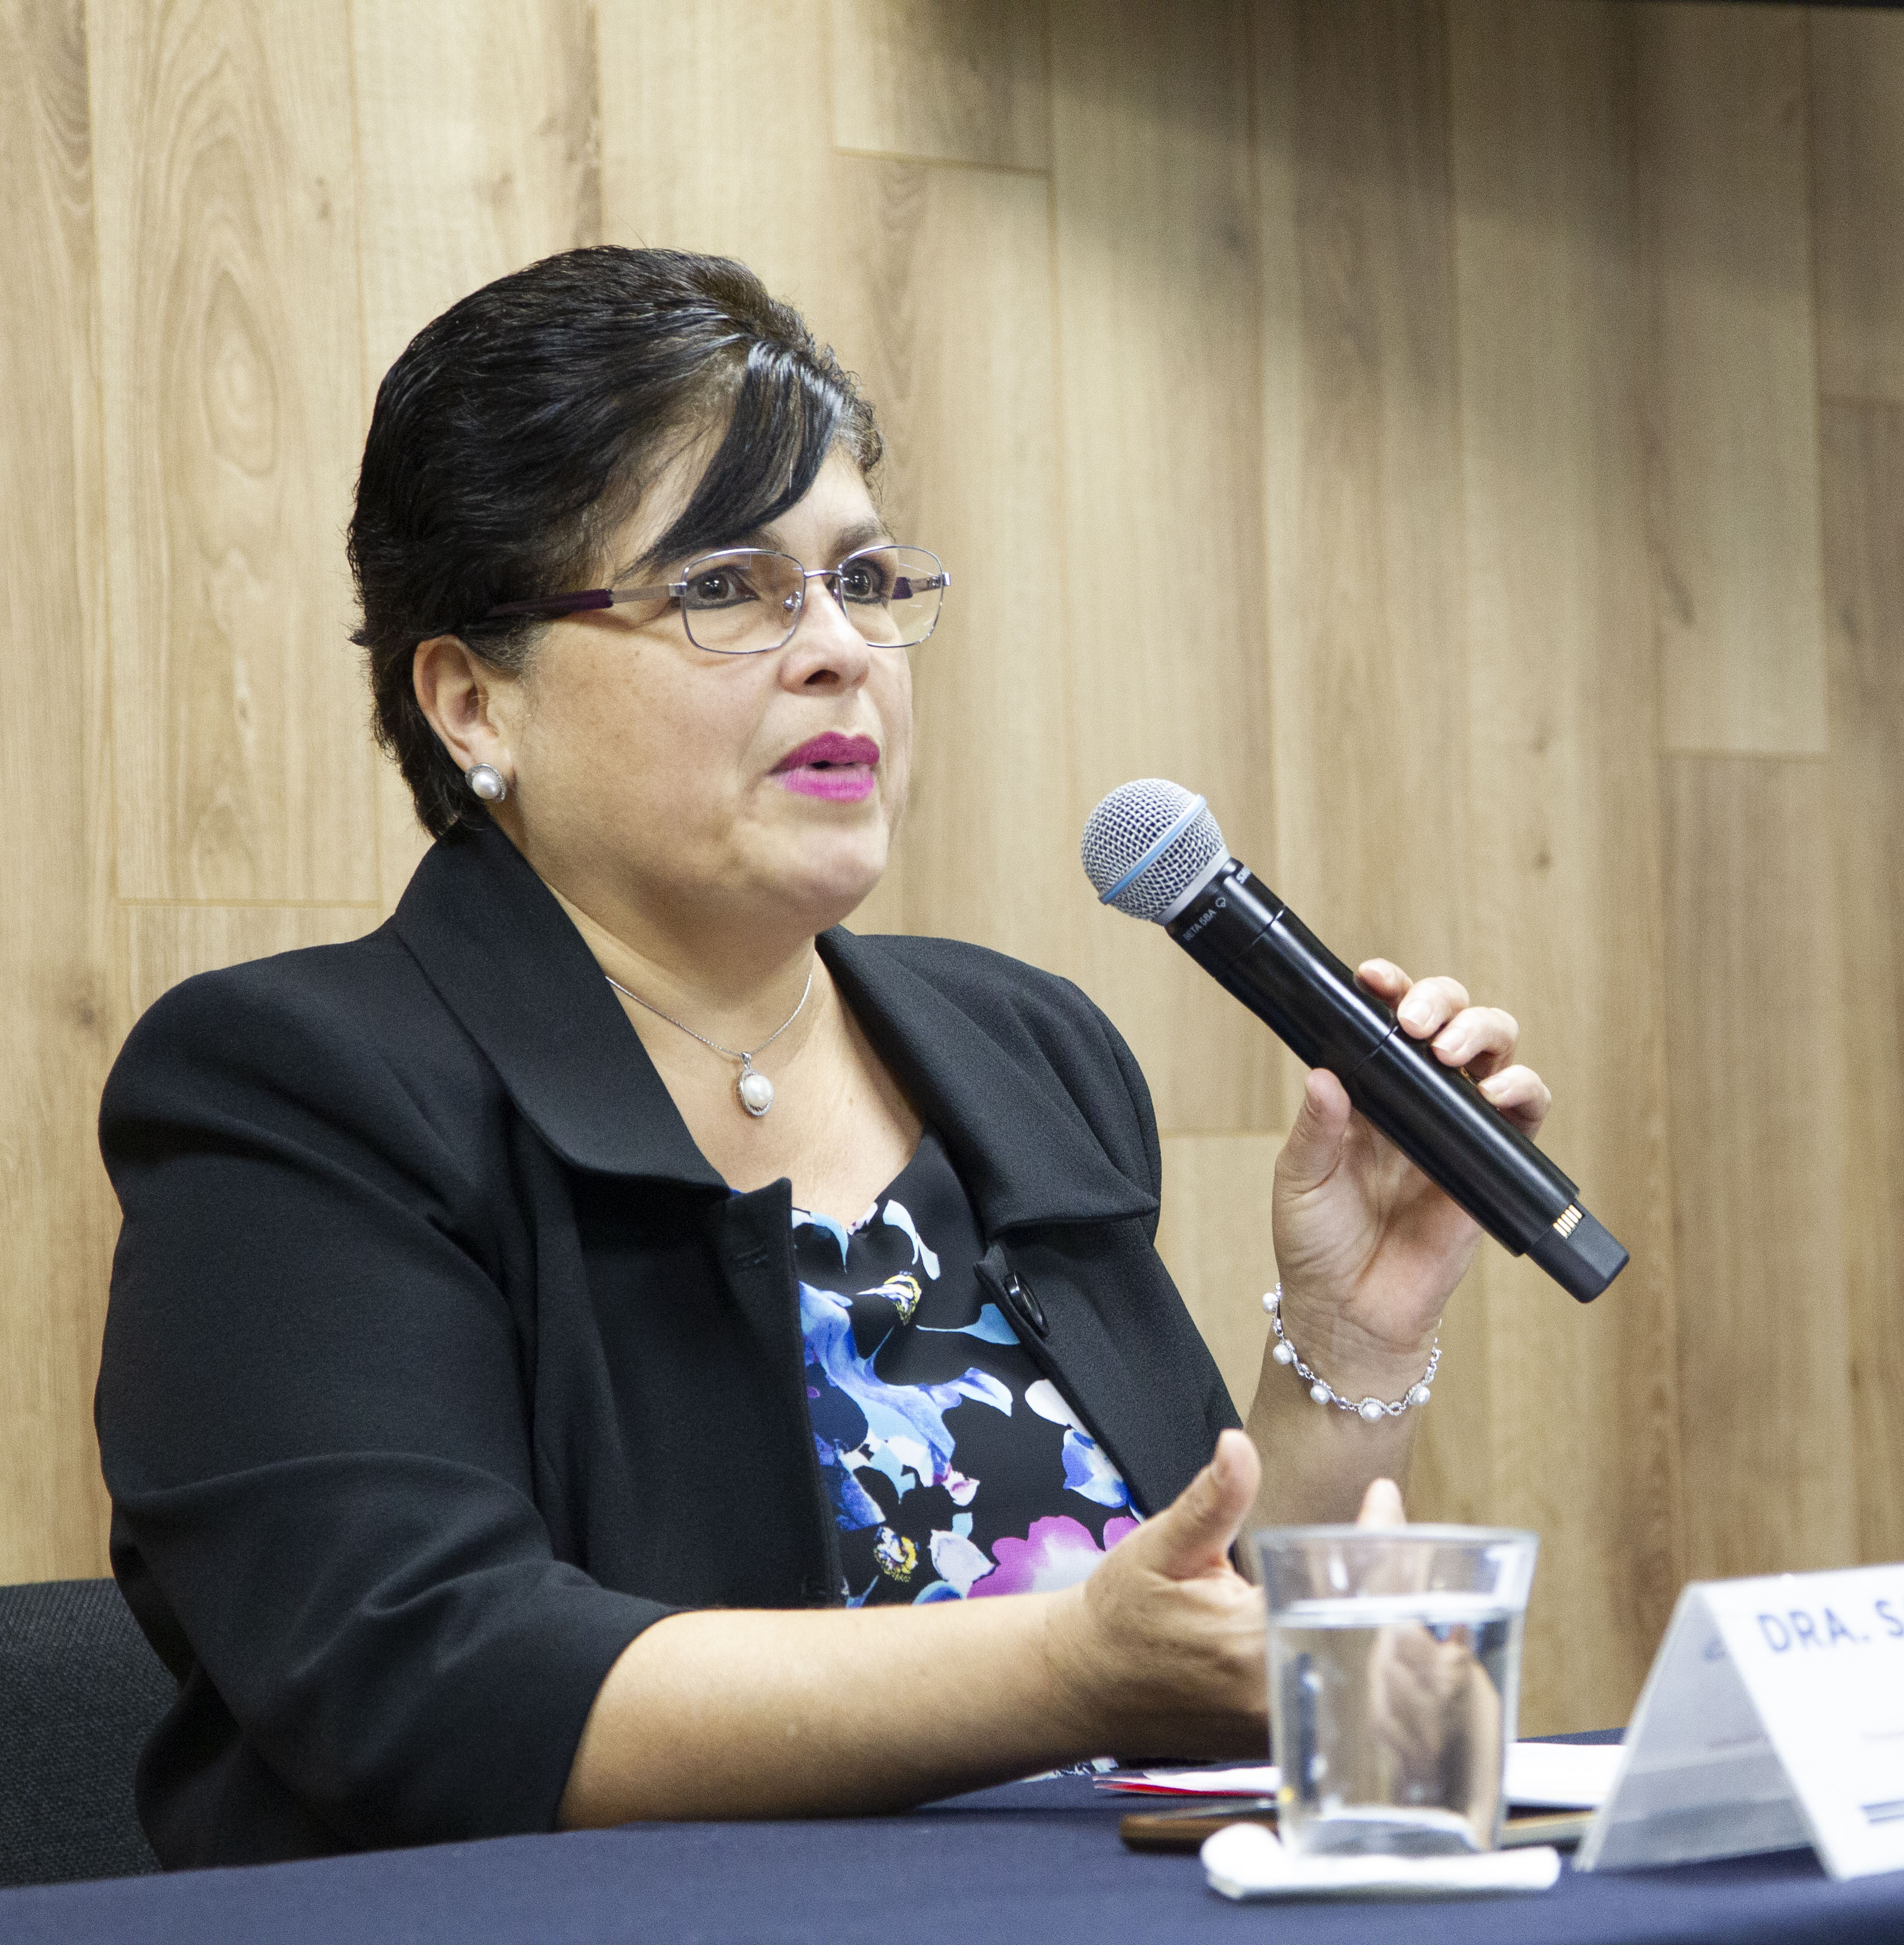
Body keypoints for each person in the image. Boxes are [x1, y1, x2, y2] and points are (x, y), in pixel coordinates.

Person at [93, 246, 1552, 1868]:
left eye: (861, 580)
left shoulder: (1022, 1051)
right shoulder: (298, 1088)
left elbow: (1200, 1647)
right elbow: (435, 1685)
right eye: (726, 588)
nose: (840, 648)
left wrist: (1350, 1337)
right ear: (473, 703)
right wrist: (1069, 1671)